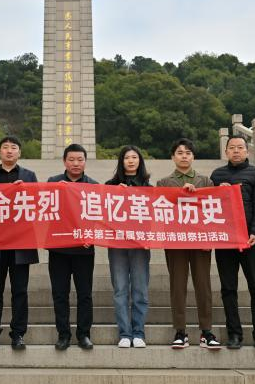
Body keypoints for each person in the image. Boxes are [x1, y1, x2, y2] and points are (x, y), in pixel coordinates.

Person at [157, 138, 221, 349]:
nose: (184, 156)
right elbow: (160, 211)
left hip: (200, 240)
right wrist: (180, 194)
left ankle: (206, 331)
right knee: (177, 286)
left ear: (193, 157)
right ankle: (180, 330)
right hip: (175, 241)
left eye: (188, 153)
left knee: (203, 285)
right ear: (172, 157)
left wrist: (210, 237)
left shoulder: (206, 181)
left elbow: (213, 210)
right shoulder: (163, 183)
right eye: (179, 152)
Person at [210, 136, 255, 350]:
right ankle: (234, 333)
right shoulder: (217, 175)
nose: (236, 151)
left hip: (250, 239)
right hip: (225, 240)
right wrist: (218, 190)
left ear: (247, 151)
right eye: (232, 148)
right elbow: (208, 204)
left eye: (240, 147)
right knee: (228, 288)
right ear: (226, 151)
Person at [0, 136, 39, 351]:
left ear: (19, 153)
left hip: (20, 243)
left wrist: (26, 191)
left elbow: (37, 206)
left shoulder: (29, 177)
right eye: (5, 147)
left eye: (13, 147)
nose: (9, 151)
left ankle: (18, 333)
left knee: (20, 291)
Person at [47, 144, 97, 351]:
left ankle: (84, 334)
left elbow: (98, 217)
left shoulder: (93, 185)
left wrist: (91, 235)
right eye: (71, 159)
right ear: (64, 161)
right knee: (60, 293)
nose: (76, 163)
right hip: (58, 249)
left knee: (85, 294)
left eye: (80, 159)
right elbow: (46, 212)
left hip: (84, 249)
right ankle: (63, 334)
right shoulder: (53, 183)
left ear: (85, 161)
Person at [105, 145, 151, 348]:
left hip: (140, 244)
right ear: (121, 162)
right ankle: (125, 333)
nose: (131, 161)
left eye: (134, 157)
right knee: (120, 289)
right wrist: (116, 193)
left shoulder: (149, 188)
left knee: (140, 289)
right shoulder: (110, 186)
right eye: (127, 158)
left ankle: (138, 332)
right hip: (117, 243)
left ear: (140, 161)